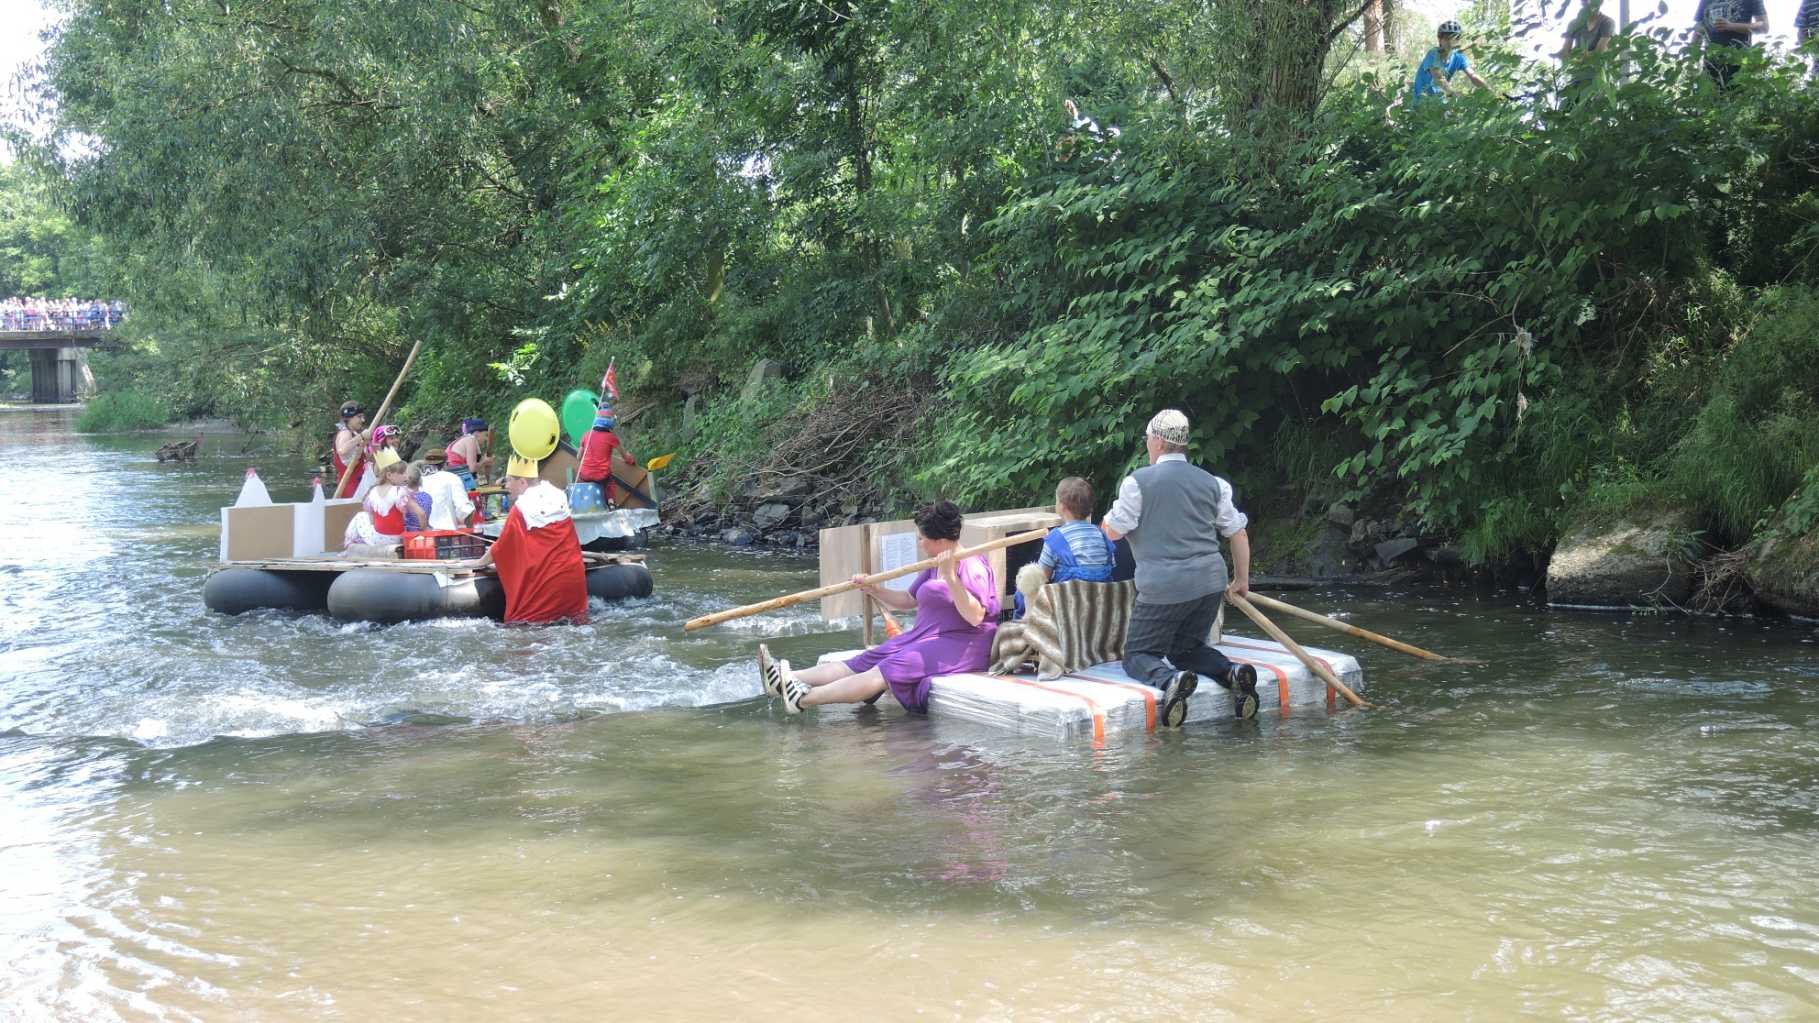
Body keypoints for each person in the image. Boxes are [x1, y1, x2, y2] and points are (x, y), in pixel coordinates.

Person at [758, 500, 998, 714]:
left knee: (885, 668)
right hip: (926, 637)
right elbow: (908, 600)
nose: (920, 543)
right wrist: (874, 589)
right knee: (866, 659)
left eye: (922, 538)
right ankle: (784, 679)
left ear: (940, 540)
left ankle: (803, 699)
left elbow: (975, 616)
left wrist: (951, 577)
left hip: (963, 644)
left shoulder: (972, 566)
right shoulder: (934, 564)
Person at [1101, 409, 1260, 726]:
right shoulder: (1214, 483)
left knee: (1138, 654)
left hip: (1164, 587)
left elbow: (1113, 531)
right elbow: (1237, 532)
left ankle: (1169, 681)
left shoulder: (1138, 483)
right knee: (1184, 648)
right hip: (1210, 584)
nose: (1147, 444)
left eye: (1148, 439)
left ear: (1158, 441)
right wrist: (1241, 580)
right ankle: (1231, 673)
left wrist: (1107, 521)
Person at [476, 454, 589, 624]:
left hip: (545, 591)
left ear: (522, 482)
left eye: (509, 481)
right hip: (574, 585)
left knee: (521, 625)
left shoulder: (521, 509)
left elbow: (500, 549)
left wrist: (478, 563)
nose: (506, 486)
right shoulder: (559, 496)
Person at [1013, 476, 1118, 618]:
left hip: (1068, 608)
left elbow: (1042, 577)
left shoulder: (1056, 538)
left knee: (1023, 591)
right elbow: (1110, 565)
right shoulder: (1102, 534)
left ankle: (1023, 632)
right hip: (1100, 606)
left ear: (1061, 506)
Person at [1409, 21, 1492, 108]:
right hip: (1421, 104)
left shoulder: (1458, 57)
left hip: (1439, 105)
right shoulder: (1433, 54)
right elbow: (1438, 78)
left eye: (1454, 38)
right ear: (1440, 40)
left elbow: (1473, 76)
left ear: (1458, 40)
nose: (1450, 42)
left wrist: (1490, 92)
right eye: (1446, 38)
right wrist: (1453, 93)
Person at [576, 400, 639, 505]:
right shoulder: (611, 438)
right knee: (610, 483)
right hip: (601, 476)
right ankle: (611, 503)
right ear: (611, 422)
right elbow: (625, 457)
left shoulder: (586, 435)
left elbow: (578, 457)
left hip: (585, 475)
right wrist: (631, 460)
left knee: (584, 479)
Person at [1695, 0, 1766, 88]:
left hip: (1739, 66)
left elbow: (1764, 26)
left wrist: (1731, 26)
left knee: (1738, 99)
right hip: (1710, 66)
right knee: (1708, 99)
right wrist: (1691, 60)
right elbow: (1698, 30)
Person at [416, 449, 476, 530]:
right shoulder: (451, 478)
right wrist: (471, 531)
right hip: (446, 533)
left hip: (420, 536)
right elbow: (464, 510)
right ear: (445, 464)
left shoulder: (416, 480)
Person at [362, 449, 414, 541]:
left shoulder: (372, 492)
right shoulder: (400, 491)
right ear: (389, 475)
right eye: (402, 473)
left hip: (378, 537)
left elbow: (371, 520)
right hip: (397, 536)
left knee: (360, 517)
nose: (406, 476)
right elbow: (411, 514)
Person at [330, 401, 370, 499]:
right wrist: (360, 436)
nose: (363, 420)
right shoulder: (345, 433)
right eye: (359, 417)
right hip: (350, 487)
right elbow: (342, 450)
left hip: (357, 484)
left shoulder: (353, 433)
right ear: (349, 417)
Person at [445, 418, 493, 489]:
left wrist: (485, 485)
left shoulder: (465, 440)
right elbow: (472, 468)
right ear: (476, 433)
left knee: (482, 486)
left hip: (454, 477)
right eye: (486, 435)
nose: (486, 439)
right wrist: (484, 462)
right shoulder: (471, 440)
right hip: (455, 478)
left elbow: (478, 472)